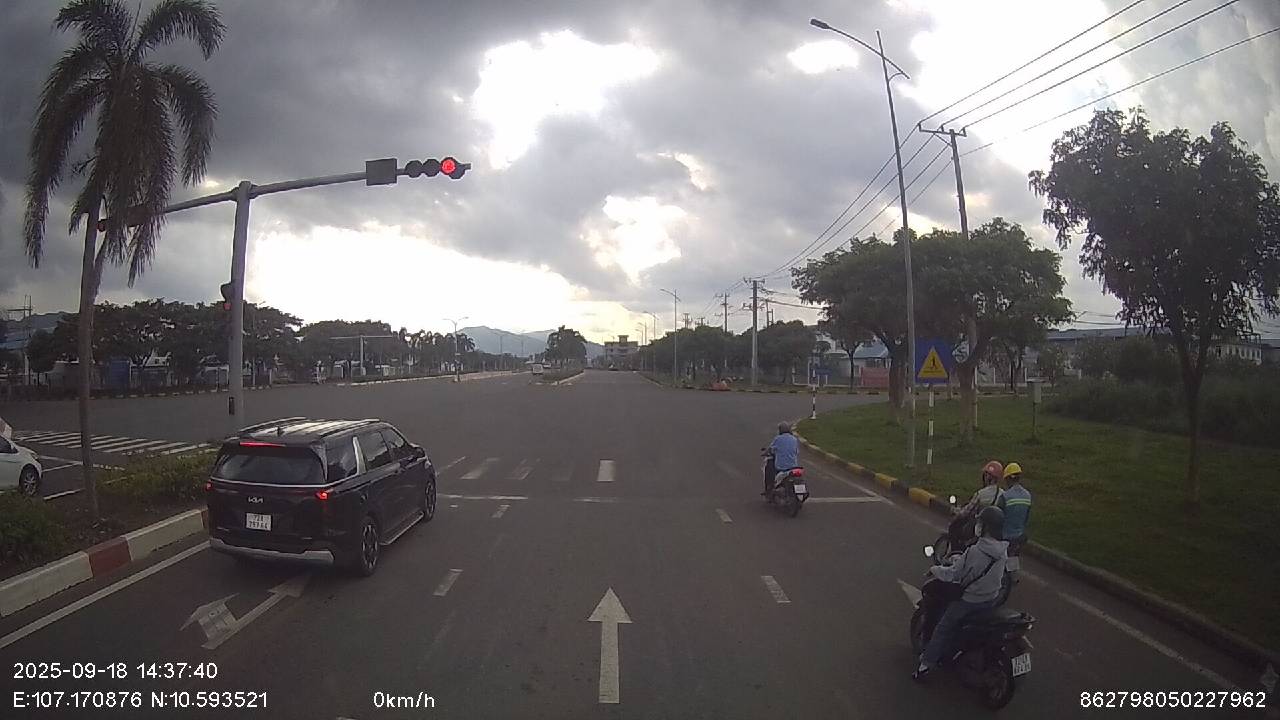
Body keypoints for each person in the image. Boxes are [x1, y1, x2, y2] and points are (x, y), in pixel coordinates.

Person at [913, 505, 1008, 680]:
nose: (978, 526)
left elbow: (954, 574)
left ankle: (925, 666)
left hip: (969, 601)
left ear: (986, 527)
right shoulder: (1002, 551)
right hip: (991, 600)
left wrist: (935, 570)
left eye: (981, 523)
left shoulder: (975, 551)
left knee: (942, 628)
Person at [997, 462, 1032, 550]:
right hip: (1019, 537)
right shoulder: (1027, 495)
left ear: (1008, 479)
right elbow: (1026, 518)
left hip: (1004, 538)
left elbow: (997, 518)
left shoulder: (1005, 496)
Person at [763, 421, 800, 497]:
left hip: (781, 467)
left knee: (769, 469)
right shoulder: (794, 439)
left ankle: (769, 489)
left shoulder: (778, 439)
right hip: (794, 466)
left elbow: (770, 449)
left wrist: (765, 452)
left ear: (780, 430)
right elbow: (796, 451)